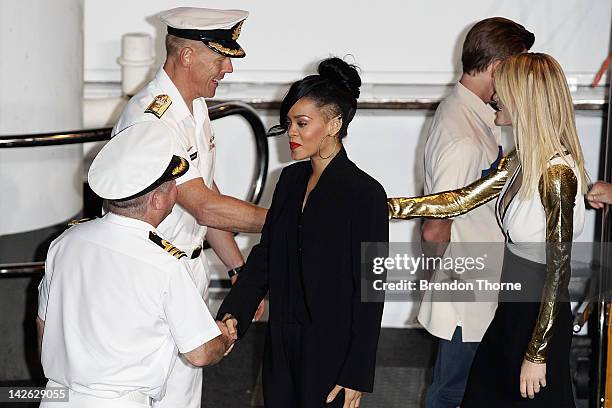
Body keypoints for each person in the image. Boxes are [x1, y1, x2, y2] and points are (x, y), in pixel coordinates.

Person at [391, 53, 587, 406]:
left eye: (503, 89)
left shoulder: (557, 174)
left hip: (538, 316)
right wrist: (385, 206)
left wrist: (537, 352)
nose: (495, 95)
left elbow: (558, 271)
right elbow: (460, 200)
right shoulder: (520, 159)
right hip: (511, 309)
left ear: (523, 100)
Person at [112, 7, 265, 407]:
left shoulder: (193, 106)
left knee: (181, 394)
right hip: (151, 277)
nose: (227, 70)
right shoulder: (154, 118)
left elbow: (206, 192)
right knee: (146, 391)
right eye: (220, 59)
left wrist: (238, 270)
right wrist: (289, 220)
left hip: (186, 271)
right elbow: (204, 207)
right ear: (186, 57)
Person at [215, 57, 389, 408]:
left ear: (334, 123)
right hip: (281, 343)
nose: (291, 133)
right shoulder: (289, 181)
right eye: (288, 123)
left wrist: (356, 371)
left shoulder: (365, 194)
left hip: (333, 351)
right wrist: (235, 312)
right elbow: (266, 257)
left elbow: (372, 288)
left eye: (302, 123)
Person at [37, 122, 238, 407]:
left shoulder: (65, 243)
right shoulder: (165, 263)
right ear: (158, 200)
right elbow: (200, 353)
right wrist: (223, 339)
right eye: (174, 186)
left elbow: (43, 324)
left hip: (57, 397)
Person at [417, 17, 534, 408]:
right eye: (518, 70)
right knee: (451, 393)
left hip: (477, 287)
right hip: (467, 291)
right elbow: (436, 229)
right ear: (500, 68)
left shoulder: (472, 116)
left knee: (464, 389)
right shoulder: (463, 136)